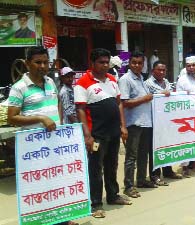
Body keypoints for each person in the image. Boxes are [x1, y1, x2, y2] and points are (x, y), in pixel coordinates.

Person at [8, 46, 78, 225]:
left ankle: (62, 219)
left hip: (54, 143)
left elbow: (57, 105)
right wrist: (40, 118)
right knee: (38, 186)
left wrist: (61, 125)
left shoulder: (50, 83)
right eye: (38, 62)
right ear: (27, 64)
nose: (43, 66)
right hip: (34, 148)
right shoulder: (19, 88)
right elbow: (12, 117)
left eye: (46, 62)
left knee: (57, 181)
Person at [74, 48, 131, 218]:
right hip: (96, 134)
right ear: (92, 63)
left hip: (113, 132)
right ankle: (96, 203)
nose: (105, 65)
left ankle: (113, 196)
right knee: (95, 169)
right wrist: (87, 135)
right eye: (101, 62)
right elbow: (81, 110)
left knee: (112, 165)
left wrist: (123, 126)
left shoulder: (113, 80)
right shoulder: (83, 83)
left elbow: (119, 104)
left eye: (107, 62)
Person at [119, 51, 161, 199]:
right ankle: (129, 186)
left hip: (146, 122)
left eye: (140, 63)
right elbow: (124, 103)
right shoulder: (126, 79)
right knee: (131, 156)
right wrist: (144, 99)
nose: (137, 65)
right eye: (134, 63)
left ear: (143, 65)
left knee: (144, 154)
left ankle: (141, 180)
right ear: (129, 64)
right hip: (134, 123)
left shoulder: (141, 78)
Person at [144, 61, 183, 179]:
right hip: (153, 120)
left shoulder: (166, 82)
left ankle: (167, 170)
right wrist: (161, 94)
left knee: (167, 145)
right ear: (152, 71)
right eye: (159, 70)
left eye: (163, 70)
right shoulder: (147, 84)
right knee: (154, 148)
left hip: (166, 120)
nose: (161, 72)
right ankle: (155, 174)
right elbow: (147, 99)